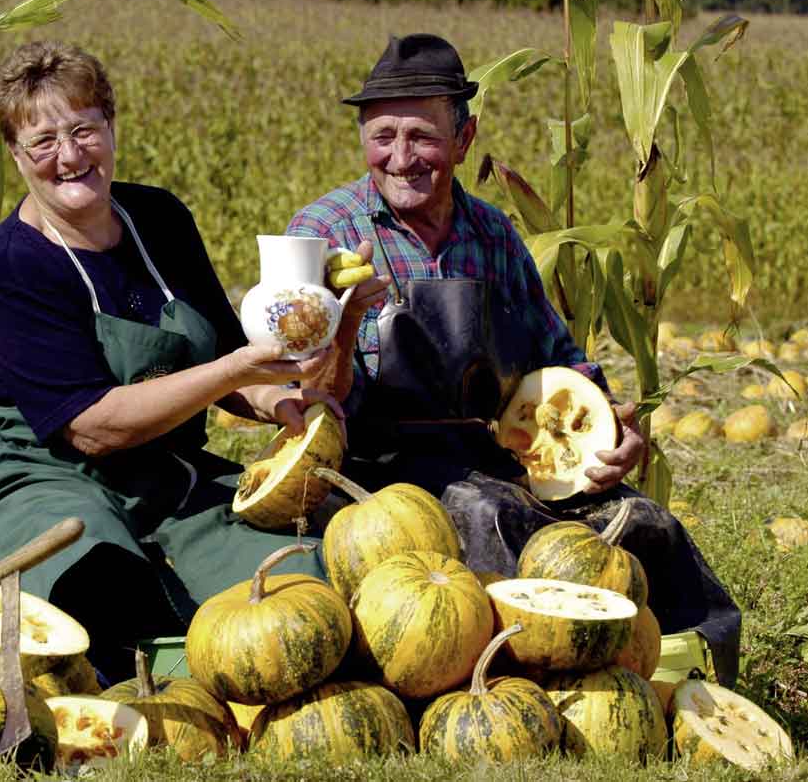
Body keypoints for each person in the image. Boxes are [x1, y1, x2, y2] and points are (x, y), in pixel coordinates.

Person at [287, 33, 742, 686]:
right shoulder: (322, 233)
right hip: (376, 480)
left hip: (500, 460)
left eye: (423, 136)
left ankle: (687, 682)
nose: (401, 156)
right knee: (488, 517)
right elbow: (305, 398)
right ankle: (516, 689)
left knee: (643, 522)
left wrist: (611, 427)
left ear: (465, 139)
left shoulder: (494, 234)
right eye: (382, 135)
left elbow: (559, 354)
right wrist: (344, 321)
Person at [0, 41, 339, 683]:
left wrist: (278, 401)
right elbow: (95, 427)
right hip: (37, 472)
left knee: (296, 584)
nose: (69, 156)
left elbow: (217, 354)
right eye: (42, 142)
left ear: (111, 127)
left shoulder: (160, 218)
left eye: (83, 130)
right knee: (105, 581)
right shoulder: (12, 264)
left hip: (161, 471)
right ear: (16, 155)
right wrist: (238, 372)